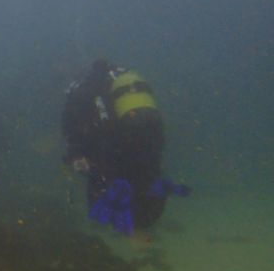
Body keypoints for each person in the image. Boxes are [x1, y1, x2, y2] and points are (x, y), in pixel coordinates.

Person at [62, 59, 190, 234]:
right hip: (145, 141)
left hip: (115, 147)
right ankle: (144, 207)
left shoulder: (81, 88)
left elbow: (71, 126)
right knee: (145, 175)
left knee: (106, 187)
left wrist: (76, 154)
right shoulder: (121, 76)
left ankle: (129, 212)